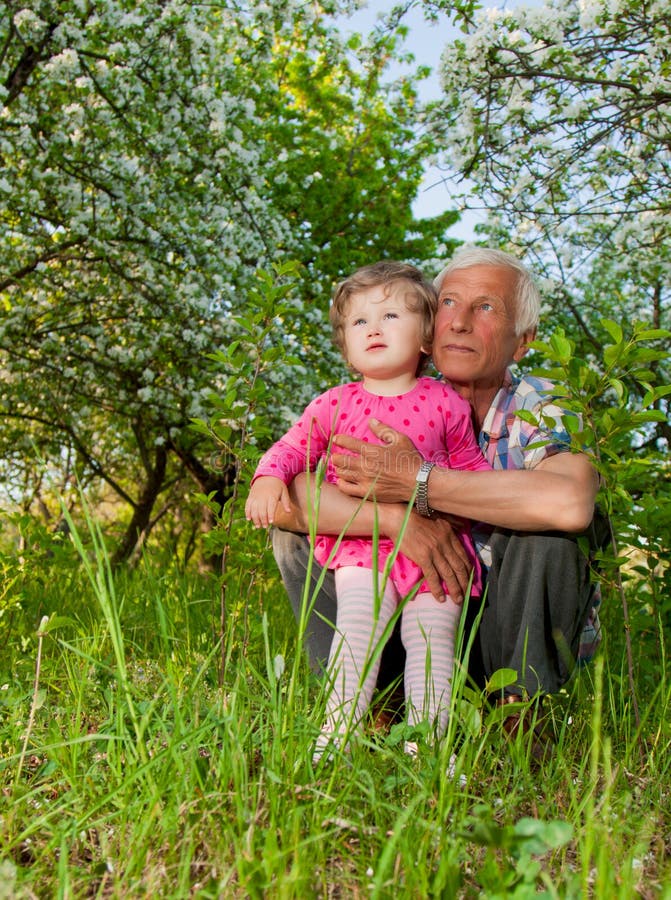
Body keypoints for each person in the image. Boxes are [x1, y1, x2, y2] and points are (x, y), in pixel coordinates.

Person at [270, 247, 604, 758]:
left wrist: (417, 480)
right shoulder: (391, 393)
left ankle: (521, 715)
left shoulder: (543, 402)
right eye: (449, 302)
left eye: (487, 307)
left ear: (523, 341)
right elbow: (288, 498)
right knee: (296, 534)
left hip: (494, 631)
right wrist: (397, 523)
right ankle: (371, 707)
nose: (462, 323)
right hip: (395, 611)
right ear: (429, 320)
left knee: (551, 530)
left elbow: (572, 500)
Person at [245, 261, 490, 758]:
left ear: (425, 338)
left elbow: (472, 475)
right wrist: (268, 477)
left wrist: (461, 512)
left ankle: (431, 750)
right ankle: (334, 741)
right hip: (361, 546)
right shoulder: (335, 404)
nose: (374, 328)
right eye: (360, 321)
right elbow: (292, 449)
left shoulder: (445, 403)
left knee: (433, 639)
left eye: (392, 316)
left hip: (433, 549)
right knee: (357, 630)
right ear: (347, 347)